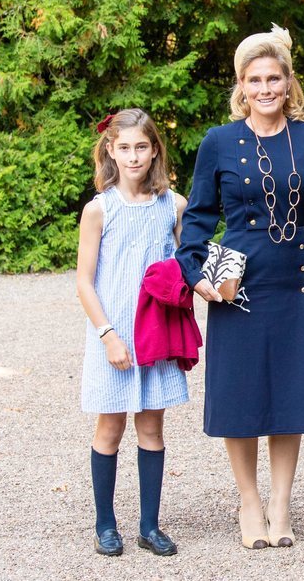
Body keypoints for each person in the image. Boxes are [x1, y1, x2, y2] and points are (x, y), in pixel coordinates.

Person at [175, 24, 304, 550]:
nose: (265, 88)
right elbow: (195, 222)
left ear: (289, 82)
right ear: (241, 85)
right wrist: (198, 278)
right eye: (254, 79)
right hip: (235, 285)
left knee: (288, 398)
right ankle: (249, 502)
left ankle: (282, 505)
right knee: (240, 399)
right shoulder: (218, 142)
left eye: (274, 78)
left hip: (294, 281)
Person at [76, 108, 190, 557]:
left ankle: (149, 525)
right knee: (109, 427)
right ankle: (106, 524)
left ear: (155, 149)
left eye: (141, 146)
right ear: (110, 151)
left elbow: (190, 264)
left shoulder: (173, 206)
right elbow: (84, 280)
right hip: (114, 335)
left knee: (151, 427)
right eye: (124, 147)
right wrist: (107, 335)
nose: (133, 155)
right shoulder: (99, 210)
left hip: (154, 334)